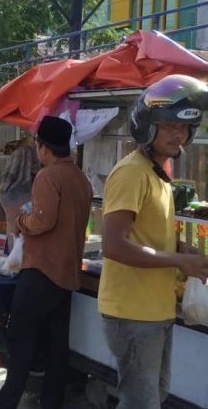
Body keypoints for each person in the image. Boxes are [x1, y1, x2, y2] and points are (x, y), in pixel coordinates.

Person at [98, 75, 208, 409]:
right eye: (171, 126)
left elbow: (151, 231)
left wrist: (183, 250)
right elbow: (113, 245)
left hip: (153, 311)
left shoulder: (157, 174)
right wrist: (178, 261)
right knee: (140, 403)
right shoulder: (131, 172)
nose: (180, 134)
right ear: (148, 126)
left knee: (153, 397)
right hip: (132, 314)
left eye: (185, 128)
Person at [0, 116, 92, 409]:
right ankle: (51, 402)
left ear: (44, 148)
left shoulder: (48, 176)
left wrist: (21, 221)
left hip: (41, 271)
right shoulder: (80, 179)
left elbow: (42, 221)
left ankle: (6, 403)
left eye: (37, 145)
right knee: (57, 344)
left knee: (20, 337)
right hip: (67, 272)